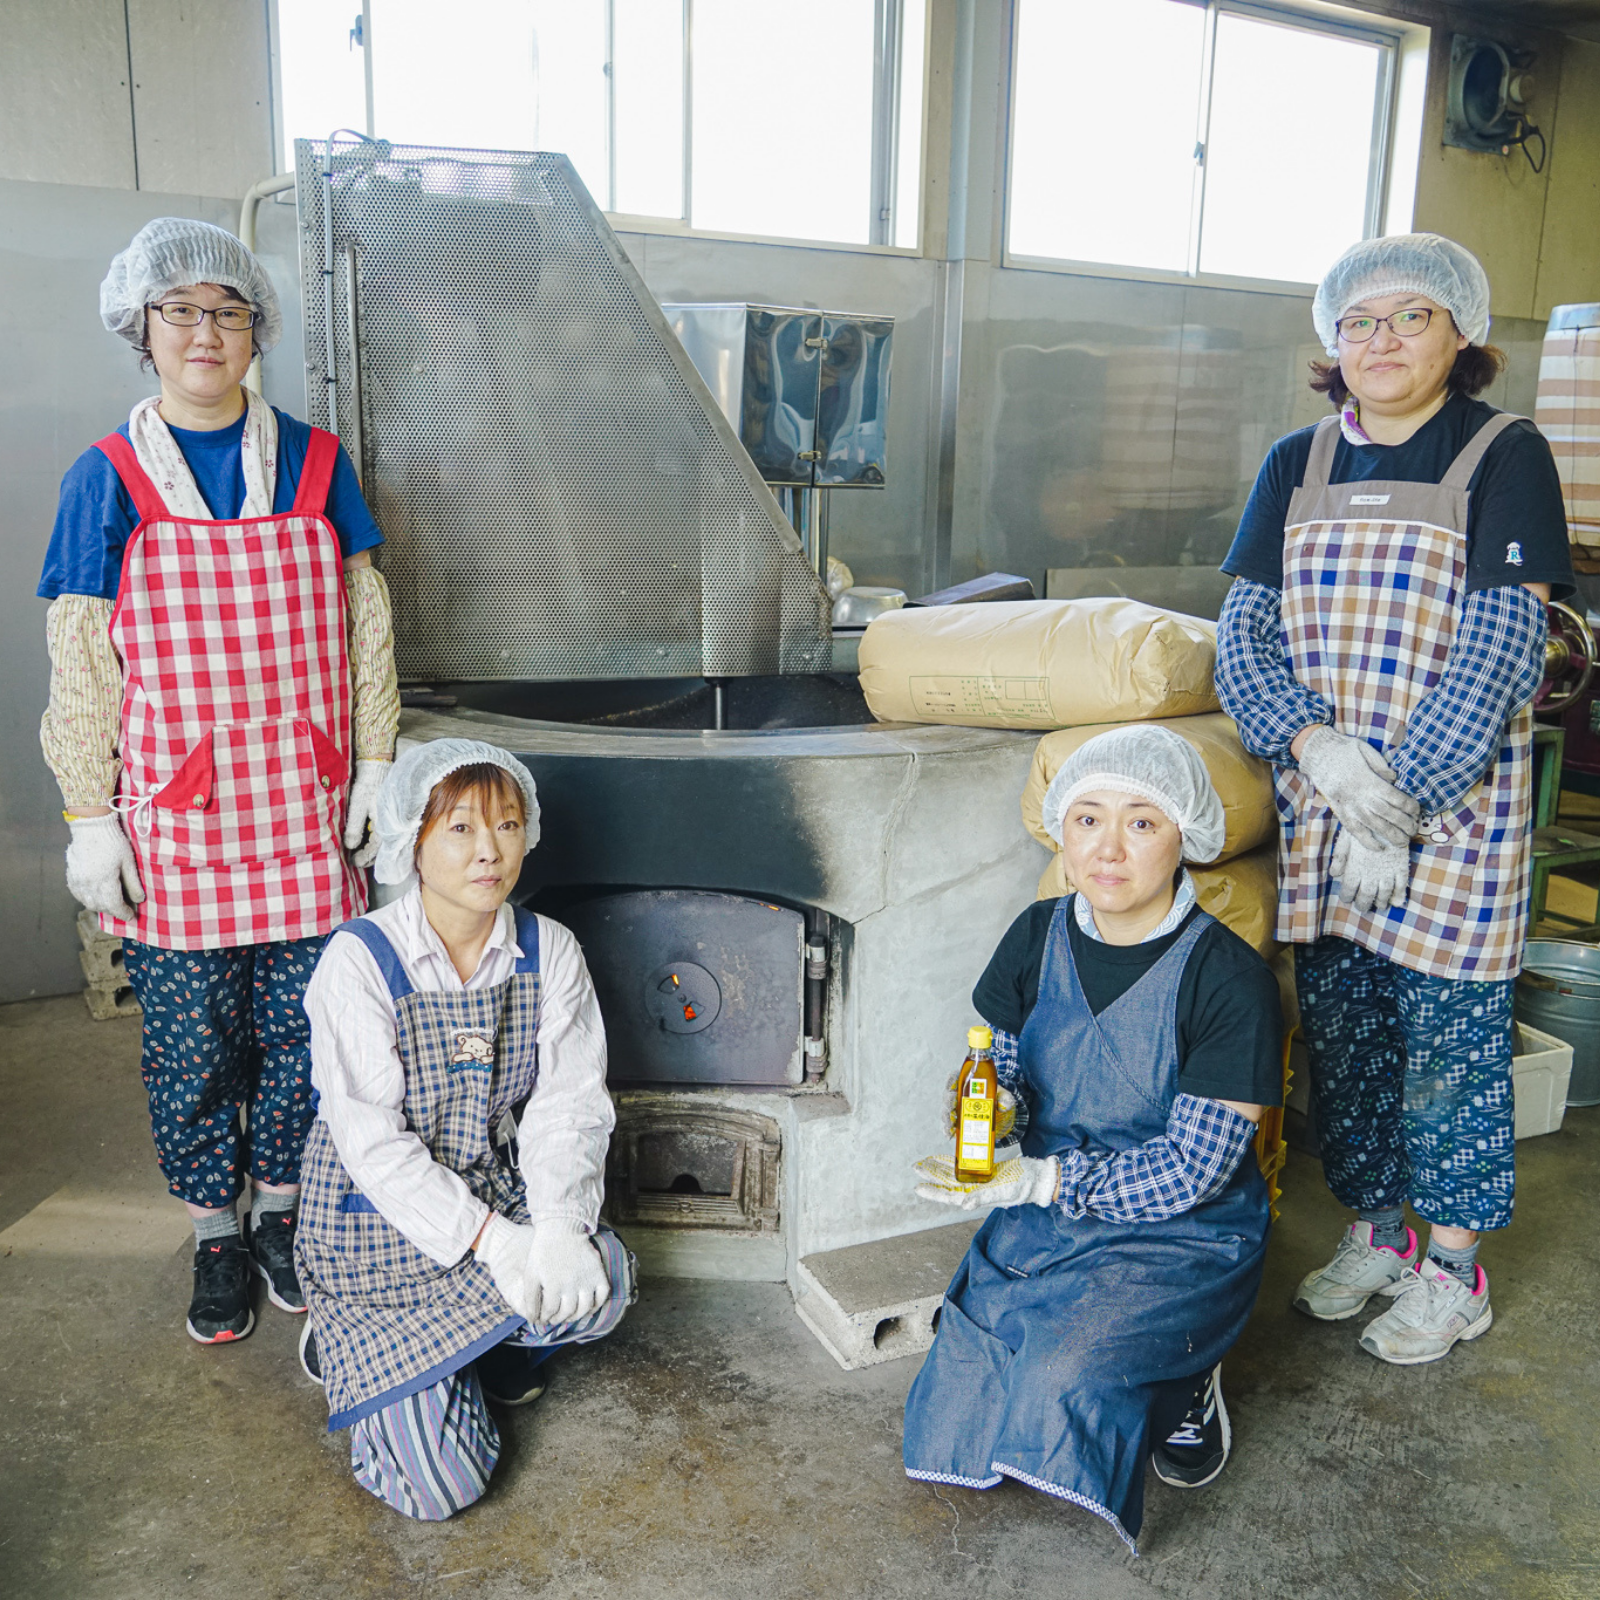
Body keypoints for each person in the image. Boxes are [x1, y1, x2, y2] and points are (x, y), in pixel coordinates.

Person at [36, 217, 400, 1344]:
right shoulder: (104, 481)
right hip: (176, 833)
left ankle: (285, 1216)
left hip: (304, 816)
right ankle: (213, 1232)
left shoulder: (318, 461)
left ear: (258, 330)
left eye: (228, 311)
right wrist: (90, 815)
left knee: (306, 1038)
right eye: (181, 311)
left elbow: (365, 626)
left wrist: (376, 763)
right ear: (140, 328)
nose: (206, 331)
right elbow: (82, 658)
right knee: (194, 1051)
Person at [1215, 232, 1574, 1365]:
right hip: (1327, 812)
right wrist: (1314, 751)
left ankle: (1451, 1267)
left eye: (1409, 318)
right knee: (1350, 1038)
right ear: (1332, 343)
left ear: (1458, 332)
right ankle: (1374, 1231)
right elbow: (1242, 634)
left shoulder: (1503, 450)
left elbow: (1504, 639)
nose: (1380, 342)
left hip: (1453, 822)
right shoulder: (1295, 461)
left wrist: (1402, 799)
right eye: (1358, 324)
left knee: (1450, 1048)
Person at [903, 727, 1283, 1554]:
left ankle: (1188, 1375)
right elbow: (994, 1066)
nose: (1108, 848)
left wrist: (1039, 1182)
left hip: (1183, 1235)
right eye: (1086, 820)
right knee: (961, 1382)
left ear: (1186, 837)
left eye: (1142, 823)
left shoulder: (1230, 982)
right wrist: (989, 1119)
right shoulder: (1035, 937)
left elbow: (1192, 1170)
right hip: (1050, 1209)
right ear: (1060, 832)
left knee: (1063, 1372)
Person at [294, 739, 633, 1521]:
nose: (490, 851)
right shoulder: (360, 960)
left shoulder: (550, 951)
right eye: (462, 829)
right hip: (376, 1225)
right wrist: (497, 1245)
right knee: (443, 1486)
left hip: (489, 1181)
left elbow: (568, 1105)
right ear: (411, 835)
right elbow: (372, 1148)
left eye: (509, 825)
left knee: (601, 1279)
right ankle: (343, 1340)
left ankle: (494, 1348)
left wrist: (549, 1229)